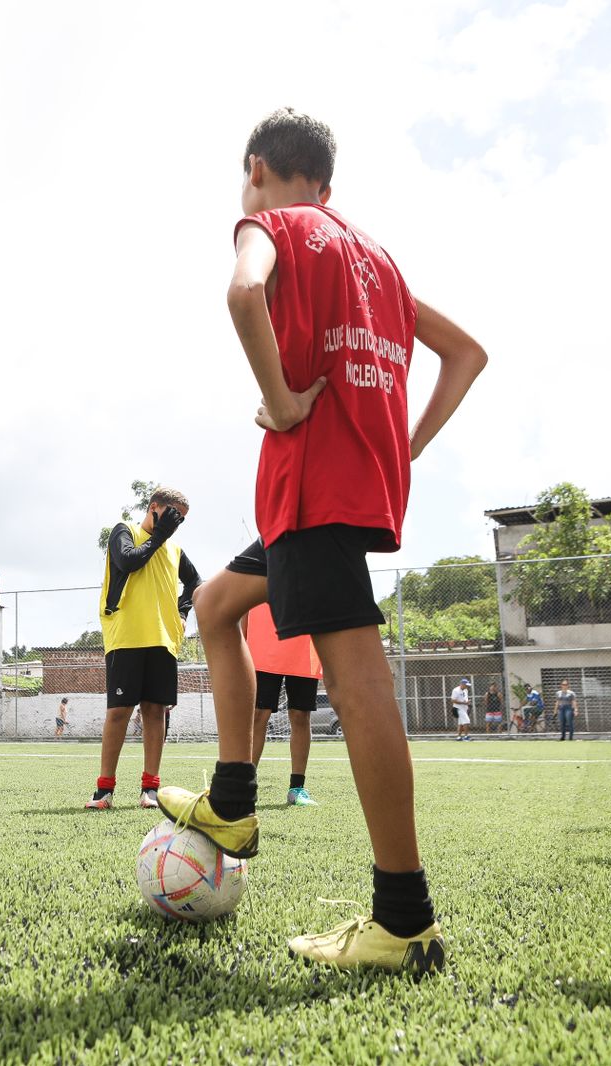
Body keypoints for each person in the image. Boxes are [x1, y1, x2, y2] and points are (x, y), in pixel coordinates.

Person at [158, 107, 487, 973]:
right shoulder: (375, 259)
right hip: (341, 489)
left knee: (357, 679)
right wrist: (402, 449)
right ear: (330, 184)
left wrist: (284, 398)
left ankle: (404, 919)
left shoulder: (275, 226)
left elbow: (241, 291)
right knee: (215, 604)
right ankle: (234, 800)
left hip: (313, 486)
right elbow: (467, 355)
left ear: (257, 167)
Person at [85, 486, 200, 810]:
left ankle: (150, 789)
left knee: (155, 711)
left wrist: (182, 611)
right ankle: (104, 790)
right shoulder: (126, 532)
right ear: (154, 508)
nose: (177, 524)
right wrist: (159, 535)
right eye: (173, 516)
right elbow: (129, 562)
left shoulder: (174, 550)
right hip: (127, 636)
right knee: (119, 712)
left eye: (182, 520)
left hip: (163, 639)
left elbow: (195, 582)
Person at [248, 603, 323, 806]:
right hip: (264, 643)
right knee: (258, 714)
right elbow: (245, 601)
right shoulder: (262, 570)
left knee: (300, 715)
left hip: (303, 641)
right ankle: (245, 785)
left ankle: (297, 789)